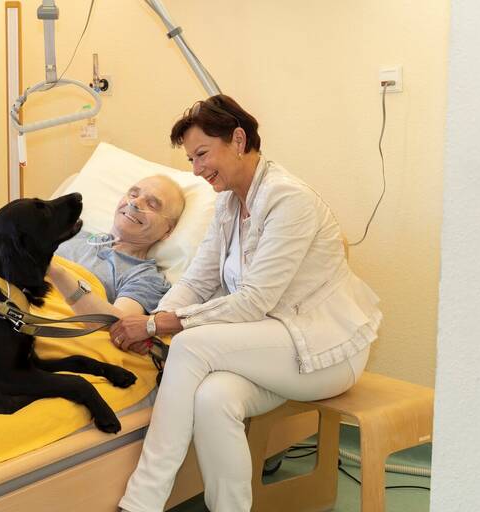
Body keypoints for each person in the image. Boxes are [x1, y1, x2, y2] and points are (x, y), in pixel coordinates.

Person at [110, 95, 382, 512]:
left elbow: (255, 301)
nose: (197, 169)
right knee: (213, 399)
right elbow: (197, 282)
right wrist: (153, 317)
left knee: (188, 344)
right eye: (191, 159)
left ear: (238, 140)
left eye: (202, 154)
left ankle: (140, 504)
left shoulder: (289, 199)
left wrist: (157, 327)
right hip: (267, 350)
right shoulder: (228, 204)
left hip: (324, 351)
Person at [0, 175, 185, 353]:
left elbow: (118, 323)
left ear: (168, 230)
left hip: (29, 322)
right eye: (133, 193)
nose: (135, 203)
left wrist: (55, 270)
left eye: (152, 204)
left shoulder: (145, 276)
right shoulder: (74, 233)